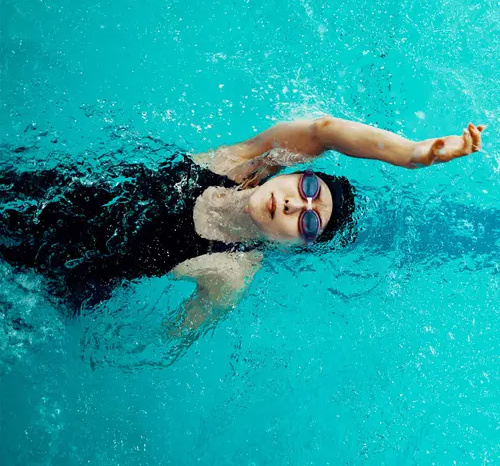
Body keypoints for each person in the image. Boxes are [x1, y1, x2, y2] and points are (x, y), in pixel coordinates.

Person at [0, 116, 485, 331]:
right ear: (297, 170)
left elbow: (171, 336)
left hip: (51, 278)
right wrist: (415, 154)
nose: (298, 207)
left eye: (310, 225)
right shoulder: (239, 163)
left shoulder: (229, 273)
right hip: (44, 196)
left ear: (296, 246)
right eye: (309, 190)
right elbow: (324, 132)